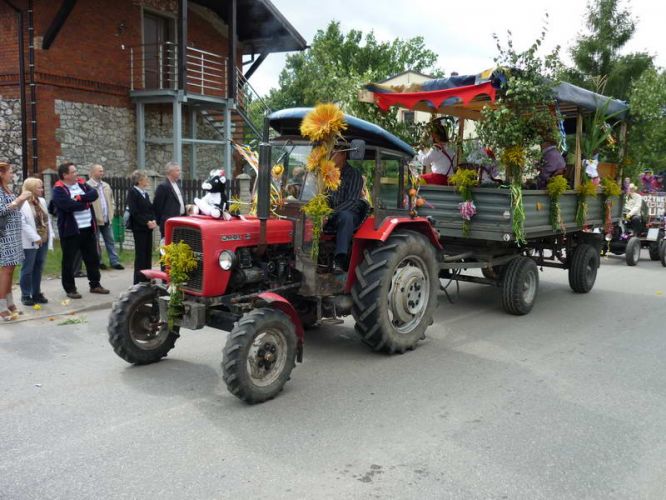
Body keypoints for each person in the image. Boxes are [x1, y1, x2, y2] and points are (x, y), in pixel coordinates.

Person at [52, 162, 109, 299]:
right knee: (69, 261)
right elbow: (67, 205)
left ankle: (95, 284)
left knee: (93, 258)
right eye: (73, 172)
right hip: (71, 231)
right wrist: (84, 204)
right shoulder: (58, 189)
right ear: (65, 175)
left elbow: (93, 194)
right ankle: (70, 288)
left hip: (88, 228)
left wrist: (80, 198)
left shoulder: (82, 184)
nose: (76, 174)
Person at [325, 149, 367, 274]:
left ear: (343, 155)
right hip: (328, 213)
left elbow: (352, 201)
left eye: (333, 153)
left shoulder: (354, 174)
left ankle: (339, 260)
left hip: (347, 213)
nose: (329, 156)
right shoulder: (326, 173)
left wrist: (329, 214)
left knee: (346, 217)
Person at [0, 162, 32, 320]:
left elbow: (12, 210)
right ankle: (1, 307)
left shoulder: (7, 188)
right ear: (1, 173)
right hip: (4, 235)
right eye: (10, 172)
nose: (12, 174)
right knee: (6, 270)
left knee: (11, 269)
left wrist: (21, 201)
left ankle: (10, 303)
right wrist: (18, 199)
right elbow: (2, 210)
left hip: (13, 234)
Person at [19, 177, 53, 306]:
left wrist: (48, 235)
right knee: (28, 268)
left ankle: (36, 293)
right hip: (30, 241)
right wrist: (35, 237)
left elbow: (46, 219)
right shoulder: (22, 203)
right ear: (32, 189)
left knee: (38, 267)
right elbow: (23, 224)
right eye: (39, 187)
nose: (42, 189)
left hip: (43, 239)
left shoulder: (42, 201)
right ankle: (26, 295)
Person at [86, 164, 124, 270]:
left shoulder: (106, 185)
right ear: (93, 172)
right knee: (95, 241)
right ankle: (99, 261)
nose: (102, 173)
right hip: (95, 219)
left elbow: (112, 200)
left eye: (102, 171)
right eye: (100, 171)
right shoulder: (87, 186)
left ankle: (114, 261)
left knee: (110, 240)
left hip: (107, 218)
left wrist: (112, 209)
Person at [126, 170, 157, 284]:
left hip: (148, 227)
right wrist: (146, 222)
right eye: (146, 178)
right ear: (139, 181)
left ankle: (147, 277)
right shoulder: (132, 192)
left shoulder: (145, 193)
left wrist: (153, 220)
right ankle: (138, 280)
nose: (147, 180)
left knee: (148, 253)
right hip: (139, 228)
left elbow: (150, 209)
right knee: (141, 254)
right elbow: (135, 212)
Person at [153, 161, 185, 239]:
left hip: (180, 219)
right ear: (170, 172)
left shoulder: (178, 184)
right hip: (168, 222)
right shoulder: (163, 186)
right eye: (177, 170)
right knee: (167, 247)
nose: (179, 172)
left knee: (178, 245)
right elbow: (157, 205)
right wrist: (160, 221)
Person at [417, 121, 456, 185]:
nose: (431, 137)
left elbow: (425, 161)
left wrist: (419, 152)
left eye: (431, 135)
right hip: (450, 180)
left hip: (439, 178)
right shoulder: (451, 148)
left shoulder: (436, 149)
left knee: (419, 178)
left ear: (435, 136)